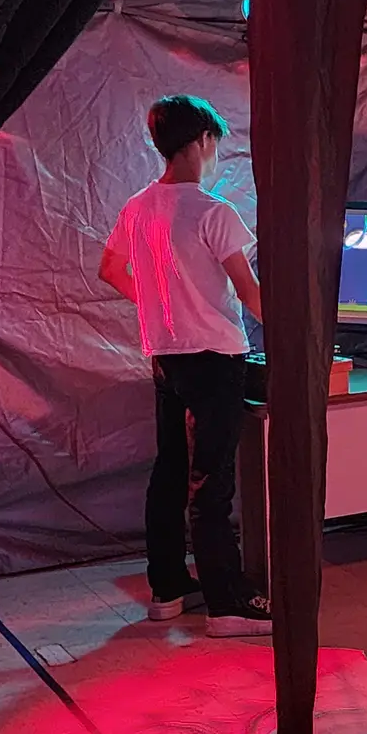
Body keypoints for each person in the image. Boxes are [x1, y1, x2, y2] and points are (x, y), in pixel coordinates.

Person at [98, 94, 272, 637]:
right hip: (217, 357)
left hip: (165, 355)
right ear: (202, 142)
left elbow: (109, 269)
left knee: (170, 473)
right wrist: (305, 330)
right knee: (212, 481)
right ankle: (226, 606)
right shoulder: (213, 211)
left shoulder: (138, 207)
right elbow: (252, 297)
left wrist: (158, 302)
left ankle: (168, 591)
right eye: (215, 146)